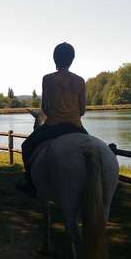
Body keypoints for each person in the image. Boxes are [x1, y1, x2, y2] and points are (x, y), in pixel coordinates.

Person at [17, 42, 88, 196]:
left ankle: (30, 184)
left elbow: (45, 108)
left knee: (26, 147)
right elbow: (82, 110)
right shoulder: (80, 81)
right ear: (72, 59)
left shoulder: (48, 79)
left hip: (52, 127)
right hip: (76, 127)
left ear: (55, 58)